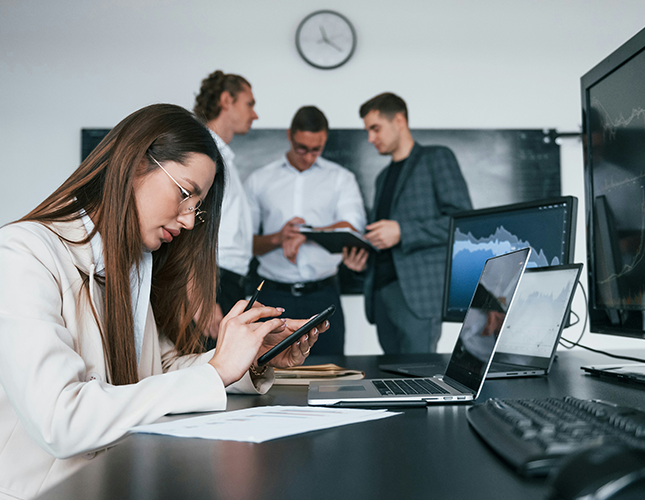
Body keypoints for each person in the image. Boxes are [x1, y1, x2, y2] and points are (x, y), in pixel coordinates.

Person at [0, 104, 325, 500]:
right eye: (186, 193)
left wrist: (247, 357)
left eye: (197, 207)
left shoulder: (136, 262)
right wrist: (217, 370)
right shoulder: (23, 253)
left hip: (127, 478)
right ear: (136, 163)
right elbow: (60, 420)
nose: (189, 220)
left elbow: (161, 369)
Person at [343, 93, 472, 354]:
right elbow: (383, 239)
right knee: (391, 383)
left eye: (375, 128)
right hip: (380, 294)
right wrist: (360, 261)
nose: (370, 138)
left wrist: (402, 231)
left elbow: (463, 224)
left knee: (419, 380)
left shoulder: (437, 158)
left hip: (417, 296)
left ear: (399, 120)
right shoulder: (382, 178)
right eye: (368, 130)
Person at [245, 106, 366, 355]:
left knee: (331, 374)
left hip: (323, 296)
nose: (309, 156)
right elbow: (246, 243)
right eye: (302, 148)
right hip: (273, 298)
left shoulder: (341, 178)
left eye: (316, 149)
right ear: (290, 135)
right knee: (267, 374)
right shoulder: (259, 180)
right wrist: (279, 238)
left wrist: (306, 233)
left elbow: (352, 227)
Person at [194, 71, 258, 344]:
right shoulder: (204, 154)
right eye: (249, 104)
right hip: (212, 282)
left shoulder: (222, 156)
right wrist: (200, 297)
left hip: (227, 282)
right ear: (226, 100)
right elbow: (190, 227)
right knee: (210, 373)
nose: (255, 114)